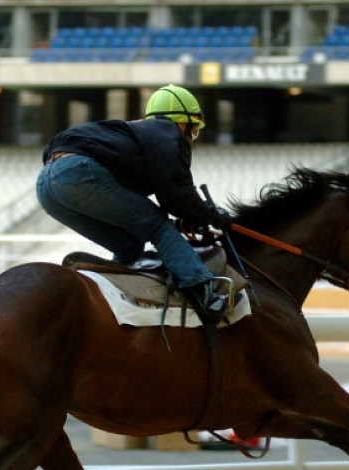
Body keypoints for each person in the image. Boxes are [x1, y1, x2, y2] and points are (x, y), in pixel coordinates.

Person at [36, 84, 233, 324]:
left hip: (47, 185)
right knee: (158, 227)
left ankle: (114, 289)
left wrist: (187, 217)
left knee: (130, 244)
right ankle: (205, 293)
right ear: (182, 123)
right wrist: (211, 215)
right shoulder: (168, 133)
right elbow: (177, 196)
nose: (191, 139)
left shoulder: (138, 136)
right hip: (78, 173)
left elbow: (160, 202)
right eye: (193, 131)